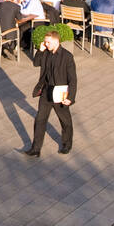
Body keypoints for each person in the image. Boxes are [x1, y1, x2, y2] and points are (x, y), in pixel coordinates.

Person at [25, 28, 77, 156]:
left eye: (47, 42)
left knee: (65, 120)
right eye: (45, 42)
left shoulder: (67, 56)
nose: (45, 44)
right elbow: (36, 63)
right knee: (40, 119)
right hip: (46, 91)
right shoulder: (46, 53)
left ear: (55, 41)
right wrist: (40, 50)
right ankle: (36, 148)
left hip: (60, 92)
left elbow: (73, 79)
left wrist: (70, 97)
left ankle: (67, 144)